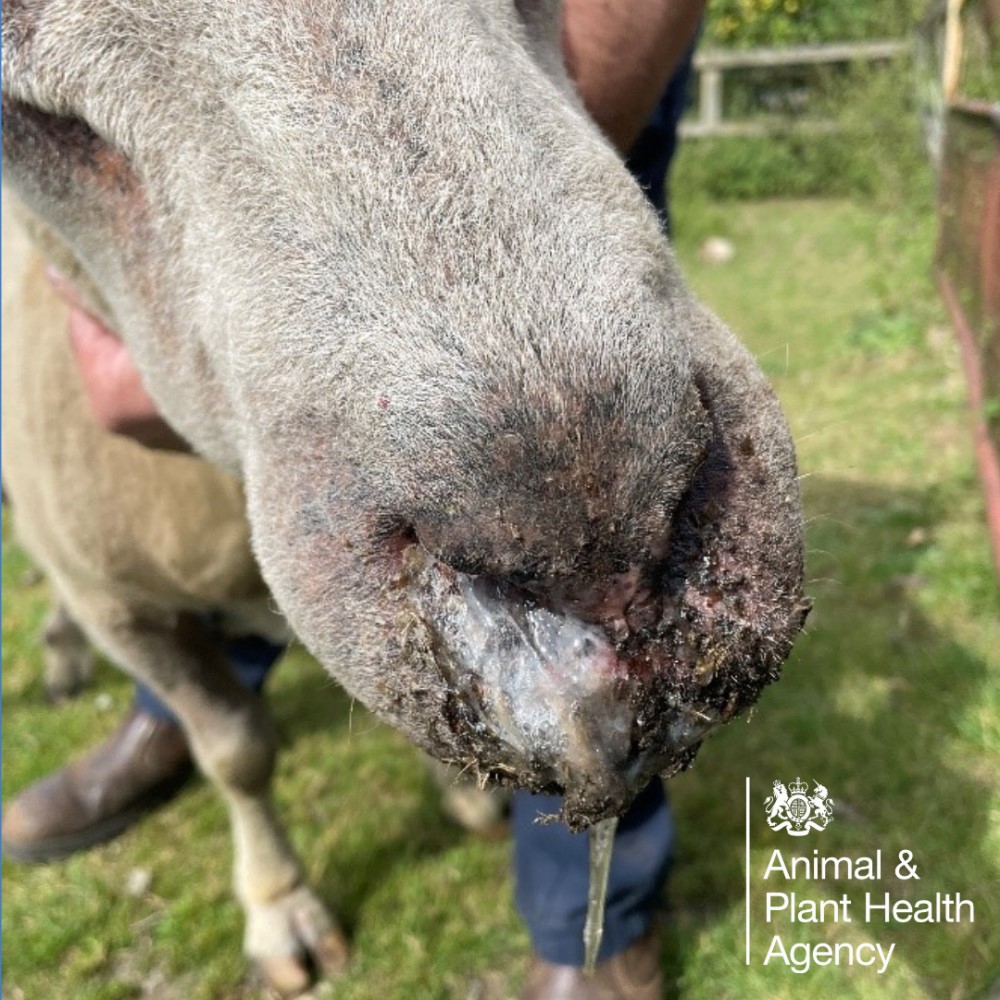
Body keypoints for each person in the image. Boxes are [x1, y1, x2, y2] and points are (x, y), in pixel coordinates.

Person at [2, 4, 704, 998]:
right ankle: (184, 710)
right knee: (157, 531)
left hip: (536, 55)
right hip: (130, 172)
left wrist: (526, 147)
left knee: (597, 550)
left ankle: (590, 917)